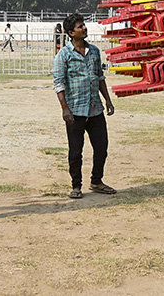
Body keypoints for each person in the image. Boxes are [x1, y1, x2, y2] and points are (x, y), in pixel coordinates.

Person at [53, 12, 115, 199]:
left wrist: (108, 100)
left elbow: (99, 77)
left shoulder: (94, 52)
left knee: (102, 146)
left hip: (95, 109)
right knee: (75, 151)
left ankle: (97, 181)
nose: (84, 28)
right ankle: (76, 186)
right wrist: (65, 107)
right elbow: (59, 83)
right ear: (71, 32)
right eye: (80, 26)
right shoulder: (63, 55)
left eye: (84, 25)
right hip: (75, 111)